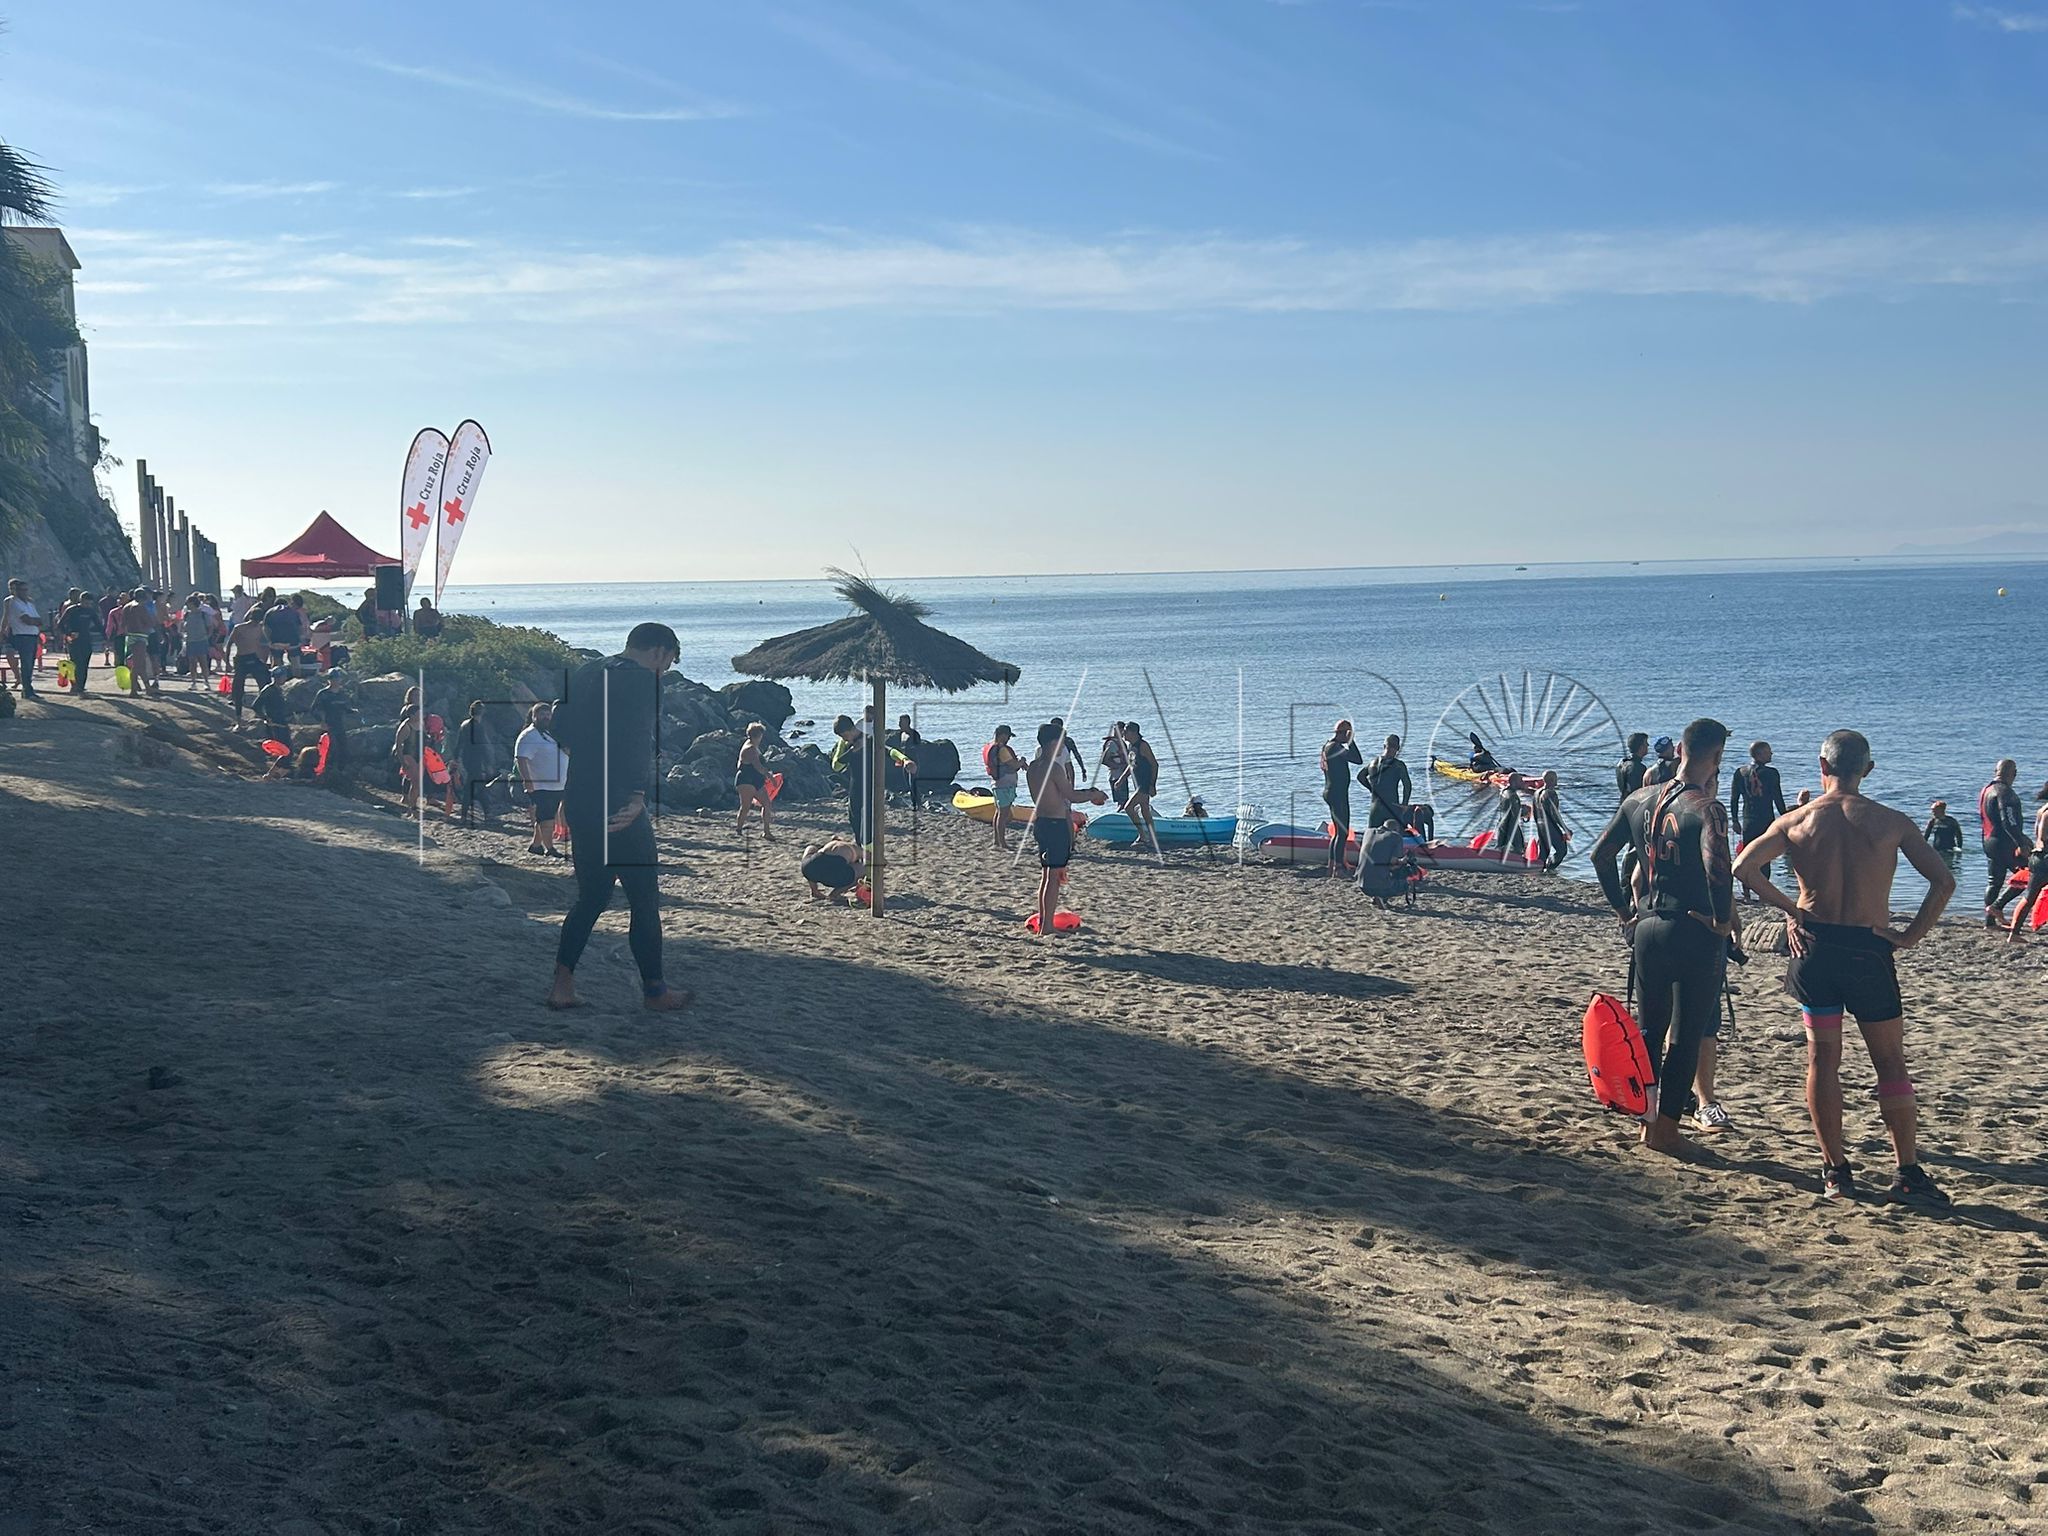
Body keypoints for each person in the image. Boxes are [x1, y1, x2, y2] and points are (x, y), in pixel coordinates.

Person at [1733, 730, 1956, 1204]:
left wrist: (1792, 910)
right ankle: (1907, 1171)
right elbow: (1943, 882)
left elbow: (1743, 869)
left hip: (1815, 950)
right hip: (1868, 951)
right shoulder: (1891, 821)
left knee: (1822, 1060)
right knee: (1890, 1061)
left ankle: (1835, 1171)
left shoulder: (1796, 820)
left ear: (1822, 766)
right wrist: (1910, 936)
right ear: (1867, 770)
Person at [1591, 718, 1735, 1155]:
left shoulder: (1639, 798)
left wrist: (1623, 911)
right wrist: (1723, 920)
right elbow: (1718, 869)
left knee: (1649, 1032)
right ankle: (1667, 1130)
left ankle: (1646, 1122)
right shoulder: (1707, 807)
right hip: (1693, 929)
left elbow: (1601, 856)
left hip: (1648, 927)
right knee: (1687, 1036)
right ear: (1717, 756)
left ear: (1680, 750)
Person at [546, 622, 689, 1013]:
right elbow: (638, 740)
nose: (664, 673)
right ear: (659, 652)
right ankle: (655, 991)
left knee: (591, 897)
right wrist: (638, 794)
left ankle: (562, 984)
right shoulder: (643, 682)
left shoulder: (587, 671)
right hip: (619, 802)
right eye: (667, 664)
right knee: (644, 898)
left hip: (580, 795)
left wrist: (584, 761)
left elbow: (558, 726)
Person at [1024, 721, 1107, 936]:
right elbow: (1071, 795)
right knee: (1053, 878)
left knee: (1047, 875)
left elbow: (1056, 794)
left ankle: (1045, 923)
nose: (1064, 746)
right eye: (1062, 741)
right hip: (1055, 824)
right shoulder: (1053, 767)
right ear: (1053, 742)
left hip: (1041, 823)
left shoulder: (1033, 767)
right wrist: (1094, 794)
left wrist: (1088, 793)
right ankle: (1047, 927)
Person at [1729, 741, 1789, 899]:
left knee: (1746, 856)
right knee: (1765, 857)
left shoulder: (1740, 772)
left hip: (1748, 820)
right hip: (1766, 820)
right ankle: (1763, 894)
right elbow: (1778, 798)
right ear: (1760, 754)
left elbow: (1734, 799)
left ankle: (1746, 893)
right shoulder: (1772, 773)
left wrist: (1735, 820)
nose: (1771, 754)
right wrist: (1785, 818)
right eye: (1768, 751)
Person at [1978, 760, 2031, 929]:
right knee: (2030, 874)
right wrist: (2021, 842)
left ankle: (1989, 922)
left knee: (1994, 881)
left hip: (1989, 840)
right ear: (2014, 774)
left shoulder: (1987, 790)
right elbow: (2008, 821)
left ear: (1996, 771)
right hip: (2005, 842)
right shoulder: (2005, 792)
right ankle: (1997, 906)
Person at [514, 701, 569, 857]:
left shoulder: (550, 733)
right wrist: (527, 780)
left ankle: (536, 845)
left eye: (548, 714)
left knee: (544, 817)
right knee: (547, 818)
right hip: (542, 785)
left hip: (558, 784)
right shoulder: (529, 735)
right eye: (542, 714)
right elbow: (521, 758)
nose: (546, 717)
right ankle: (549, 848)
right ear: (534, 716)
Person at [2005, 784, 2048, 944]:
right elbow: (2043, 838)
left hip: (2038, 858)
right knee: (2030, 897)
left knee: (2029, 897)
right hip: (2044, 858)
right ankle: (2014, 933)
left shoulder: (2043, 809)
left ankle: (2014, 933)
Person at [1320, 720, 1362, 875]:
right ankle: (1338, 868)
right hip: (1336, 793)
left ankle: (1332, 865)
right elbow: (1357, 759)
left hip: (1333, 791)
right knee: (1342, 832)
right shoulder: (1335, 747)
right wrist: (1351, 741)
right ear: (1344, 734)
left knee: (1339, 831)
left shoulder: (1328, 746)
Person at [983, 725, 1023, 851]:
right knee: (1003, 814)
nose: (1008, 739)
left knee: (999, 812)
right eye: (1008, 736)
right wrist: (1022, 761)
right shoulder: (1002, 750)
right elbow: (1014, 765)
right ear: (1002, 735)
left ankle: (997, 841)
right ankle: (1002, 843)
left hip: (997, 784)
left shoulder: (990, 746)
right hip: (1005, 785)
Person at [224, 610, 269, 721]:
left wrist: (264, 660)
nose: (255, 624)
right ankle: (238, 717)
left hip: (253, 657)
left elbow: (265, 645)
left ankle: (260, 710)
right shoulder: (239, 628)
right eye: (254, 622)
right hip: (241, 658)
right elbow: (229, 644)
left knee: (264, 683)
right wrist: (227, 663)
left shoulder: (260, 628)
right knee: (238, 688)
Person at [1361, 733, 1413, 832]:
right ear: (1398, 748)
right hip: (1391, 806)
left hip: (1375, 806)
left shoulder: (1372, 763)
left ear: (1384, 746)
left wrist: (1371, 789)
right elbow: (1407, 785)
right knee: (1395, 834)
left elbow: (1361, 777)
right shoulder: (1398, 765)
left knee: (1372, 833)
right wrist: (1405, 804)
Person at [734, 722, 776, 840]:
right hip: (746, 780)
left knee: (767, 804)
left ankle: (766, 831)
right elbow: (758, 766)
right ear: (758, 735)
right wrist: (770, 776)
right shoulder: (750, 748)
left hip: (756, 780)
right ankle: (739, 829)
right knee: (745, 806)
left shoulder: (753, 745)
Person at [3, 579, 43, 698]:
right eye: (22, 590)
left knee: (30, 664)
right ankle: (26, 688)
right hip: (22, 636)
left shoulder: (29, 603)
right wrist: (2, 630)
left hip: (32, 635)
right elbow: (26, 620)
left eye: (26, 590)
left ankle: (27, 688)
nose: (24, 592)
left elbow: (39, 620)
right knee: (25, 663)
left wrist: (35, 624)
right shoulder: (13, 603)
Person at [455, 700, 493, 826]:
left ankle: (467, 814)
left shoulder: (464, 724)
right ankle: (479, 814)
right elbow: (482, 747)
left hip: (466, 759)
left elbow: (459, 743)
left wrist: (456, 757)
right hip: (476, 760)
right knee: (474, 788)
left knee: (474, 786)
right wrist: (487, 763)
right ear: (482, 712)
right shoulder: (479, 727)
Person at [59, 591, 103, 695]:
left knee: (84, 664)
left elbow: (99, 625)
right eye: (86, 603)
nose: (87, 605)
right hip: (74, 640)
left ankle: (81, 686)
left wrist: (106, 637)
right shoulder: (72, 610)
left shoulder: (90, 611)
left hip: (86, 640)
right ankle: (75, 686)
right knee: (76, 663)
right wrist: (69, 634)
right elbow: (60, 625)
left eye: (90, 604)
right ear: (81, 600)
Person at [1122, 721, 1160, 837]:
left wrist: (1152, 785)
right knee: (1145, 810)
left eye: (1125, 732)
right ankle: (1152, 836)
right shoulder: (1131, 746)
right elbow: (1131, 765)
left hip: (1144, 783)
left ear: (1134, 732)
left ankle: (1142, 835)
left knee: (1128, 808)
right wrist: (1121, 779)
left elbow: (1154, 764)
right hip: (1137, 783)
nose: (1123, 734)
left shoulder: (1143, 746)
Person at [800, 836, 866, 904]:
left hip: (809, 868)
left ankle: (814, 890)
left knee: (811, 848)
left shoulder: (830, 845)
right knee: (865, 868)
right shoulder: (854, 848)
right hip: (834, 873)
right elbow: (870, 857)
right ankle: (835, 894)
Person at [310, 676, 356, 772]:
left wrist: (352, 711)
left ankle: (340, 770)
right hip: (328, 725)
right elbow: (314, 709)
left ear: (340, 680)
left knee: (343, 747)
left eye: (337, 679)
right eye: (332, 679)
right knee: (330, 748)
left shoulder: (342, 694)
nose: (335, 681)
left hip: (340, 724)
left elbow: (345, 707)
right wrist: (321, 721)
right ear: (329, 680)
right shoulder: (323, 694)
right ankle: (325, 769)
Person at [118, 591, 158, 697]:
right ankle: (134, 690)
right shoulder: (140, 607)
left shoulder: (126, 607)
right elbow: (150, 622)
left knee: (141, 664)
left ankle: (147, 688)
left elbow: (122, 624)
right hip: (140, 636)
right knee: (138, 665)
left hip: (130, 636)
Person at [253, 674, 294, 776]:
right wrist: (266, 718)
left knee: (288, 750)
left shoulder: (279, 690)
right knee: (286, 750)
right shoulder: (269, 690)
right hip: (275, 725)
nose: (285, 678)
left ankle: (281, 772)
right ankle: (270, 774)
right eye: (283, 676)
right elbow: (256, 705)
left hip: (282, 723)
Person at [1531, 769, 1569, 870]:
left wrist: (1539, 827)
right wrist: (1565, 829)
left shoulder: (1537, 793)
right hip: (1550, 826)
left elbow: (1534, 812)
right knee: (1562, 850)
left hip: (1541, 825)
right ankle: (1549, 869)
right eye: (1556, 778)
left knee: (1543, 853)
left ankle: (1538, 870)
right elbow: (1555, 814)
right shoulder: (1551, 793)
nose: (1557, 780)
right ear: (1552, 780)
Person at [1922, 800, 1965, 885]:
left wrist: (1959, 848)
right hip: (1936, 850)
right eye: (1932, 810)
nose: (1932, 812)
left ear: (1941, 810)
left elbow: (1959, 835)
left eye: (1934, 810)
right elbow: (1926, 836)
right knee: (1937, 870)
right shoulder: (1932, 821)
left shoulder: (1951, 821)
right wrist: (1922, 847)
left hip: (1949, 850)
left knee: (1949, 869)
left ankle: (1949, 884)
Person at [181, 596, 216, 688]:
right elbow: (183, 627)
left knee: (203, 662)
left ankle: (206, 682)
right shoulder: (186, 615)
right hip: (190, 640)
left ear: (193, 603)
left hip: (201, 640)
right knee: (192, 663)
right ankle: (193, 682)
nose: (187, 605)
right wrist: (183, 635)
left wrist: (207, 636)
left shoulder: (203, 614)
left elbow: (210, 627)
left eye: (188, 603)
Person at [1494, 772, 1529, 858]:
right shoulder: (1512, 795)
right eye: (1520, 781)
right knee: (1519, 848)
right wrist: (1526, 812)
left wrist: (1521, 807)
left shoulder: (1504, 792)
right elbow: (1516, 813)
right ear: (1514, 782)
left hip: (1502, 823)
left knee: (1500, 847)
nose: (1523, 783)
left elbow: (1508, 808)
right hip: (1511, 826)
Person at [1099, 722, 1132, 809]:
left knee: (1123, 801)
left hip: (1120, 775)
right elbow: (1103, 759)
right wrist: (1117, 766)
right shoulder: (1112, 743)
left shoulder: (1121, 742)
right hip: (1116, 776)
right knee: (1123, 802)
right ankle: (1120, 814)